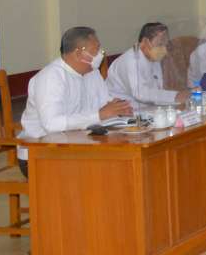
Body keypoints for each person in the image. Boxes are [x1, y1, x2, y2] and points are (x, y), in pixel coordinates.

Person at [19, 27, 132, 175]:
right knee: (105, 172)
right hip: (41, 154)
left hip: (80, 145)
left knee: (124, 161)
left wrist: (119, 108)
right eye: (96, 50)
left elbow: (105, 103)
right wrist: (99, 115)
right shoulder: (50, 78)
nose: (101, 54)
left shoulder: (92, 73)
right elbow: (52, 124)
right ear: (78, 53)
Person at [108, 22, 181, 107]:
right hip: (121, 108)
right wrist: (175, 96)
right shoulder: (131, 60)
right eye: (160, 44)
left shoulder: (154, 58)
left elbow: (157, 90)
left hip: (146, 108)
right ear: (146, 41)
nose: (164, 49)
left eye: (166, 44)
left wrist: (177, 98)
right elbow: (140, 93)